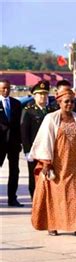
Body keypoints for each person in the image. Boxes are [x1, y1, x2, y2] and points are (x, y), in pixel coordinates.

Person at [29, 88, 76, 237]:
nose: (70, 104)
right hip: (57, 165)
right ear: (59, 102)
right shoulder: (51, 118)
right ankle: (52, 225)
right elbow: (44, 140)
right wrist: (46, 162)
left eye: (72, 101)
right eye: (66, 101)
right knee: (56, 196)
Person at [21, 80, 58, 199]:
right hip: (34, 150)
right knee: (34, 175)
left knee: (50, 174)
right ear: (34, 95)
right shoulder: (28, 111)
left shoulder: (52, 111)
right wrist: (27, 151)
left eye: (45, 94)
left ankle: (47, 198)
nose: (43, 96)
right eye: (40, 94)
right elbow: (24, 132)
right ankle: (35, 197)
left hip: (49, 150)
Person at [0, 79, 24, 207]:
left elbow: (19, 124)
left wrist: (20, 142)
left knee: (14, 171)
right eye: (3, 88)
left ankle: (12, 198)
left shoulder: (16, 103)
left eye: (8, 88)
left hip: (13, 143)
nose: (6, 90)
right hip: (0, 143)